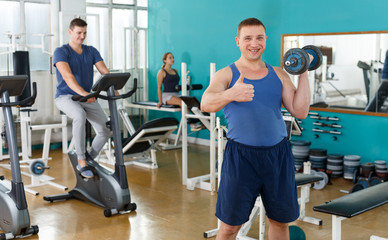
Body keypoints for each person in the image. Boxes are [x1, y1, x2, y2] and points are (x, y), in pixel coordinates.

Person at [201, 18, 312, 240]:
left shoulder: (279, 74)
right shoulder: (227, 74)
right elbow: (206, 103)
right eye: (248, 38)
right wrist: (231, 93)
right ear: (238, 41)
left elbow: (300, 111)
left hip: (277, 156)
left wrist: (303, 71)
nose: (254, 43)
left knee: (280, 222)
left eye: (259, 38)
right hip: (241, 158)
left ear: (265, 40)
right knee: (230, 227)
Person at [53, 18, 111, 179]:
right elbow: (68, 77)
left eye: (85, 33)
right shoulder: (61, 51)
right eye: (79, 33)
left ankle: (90, 157)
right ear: (70, 32)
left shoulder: (91, 51)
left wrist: (114, 86)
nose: (82, 36)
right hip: (66, 96)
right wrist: (86, 94)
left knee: (105, 129)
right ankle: (81, 160)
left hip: (87, 97)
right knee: (79, 115)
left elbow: (104, 72)